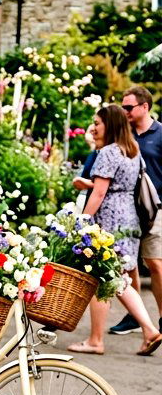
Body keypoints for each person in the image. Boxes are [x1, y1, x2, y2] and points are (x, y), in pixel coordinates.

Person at [69, 104, 162, 357]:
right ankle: (150, 329)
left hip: (109, 219)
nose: (94, 127)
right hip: (129, 218)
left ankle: (95, 340)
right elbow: (116, 183)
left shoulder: (108, 152)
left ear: (109, 124)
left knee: (102, 278)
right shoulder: (131, 150)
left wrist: (82, 223)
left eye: (97, 122)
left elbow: (100, 192)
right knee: (118, 279)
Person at [108, 86, 162, 336]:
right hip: (126, 209)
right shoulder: (124, 134)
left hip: (154, 207)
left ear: (145, 107)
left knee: (154, 263)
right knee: (127, 265)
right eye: (123, 107)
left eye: (128, 107)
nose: (125, 111)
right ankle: (135, 316)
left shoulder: (160, 134)